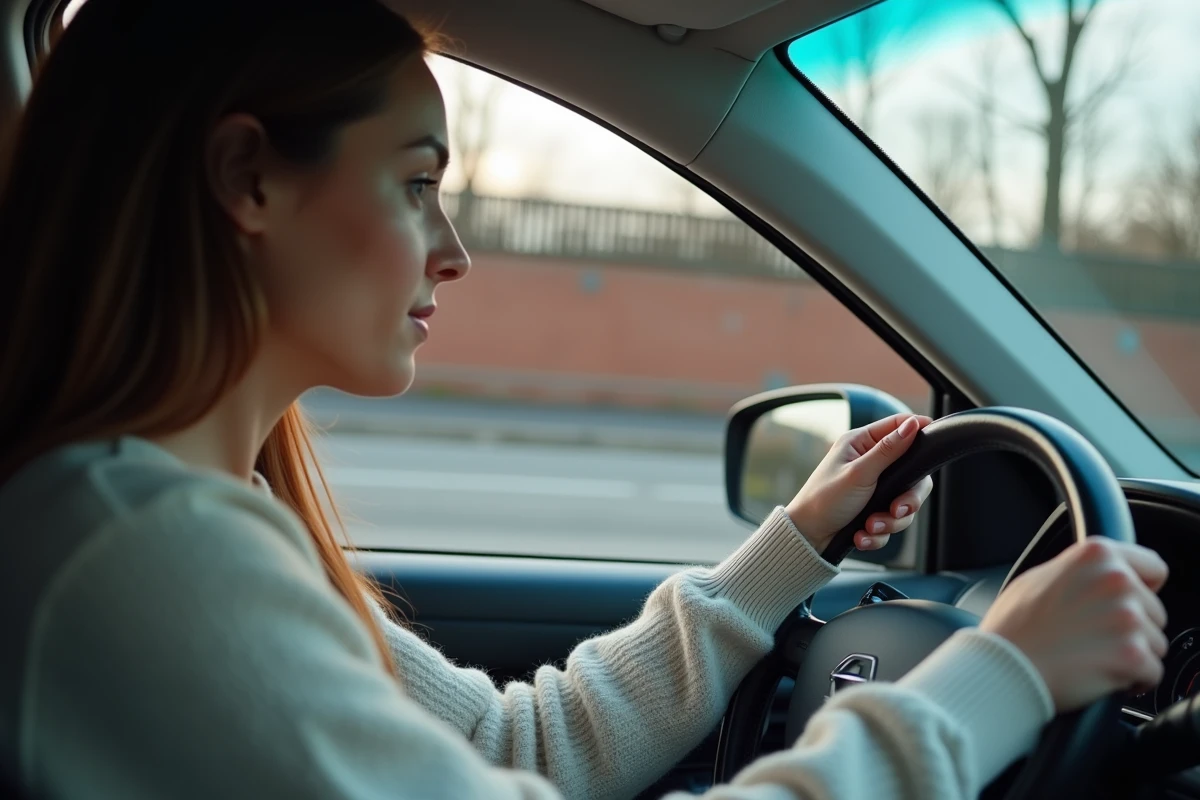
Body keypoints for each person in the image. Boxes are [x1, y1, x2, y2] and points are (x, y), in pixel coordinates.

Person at [0, 0, 1168, 798]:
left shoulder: (187, 520)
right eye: (415, 183)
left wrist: (794, 543)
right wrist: (994, 679)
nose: (453, 250)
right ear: (246, 177)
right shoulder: (135, 548)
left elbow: (511, 746)